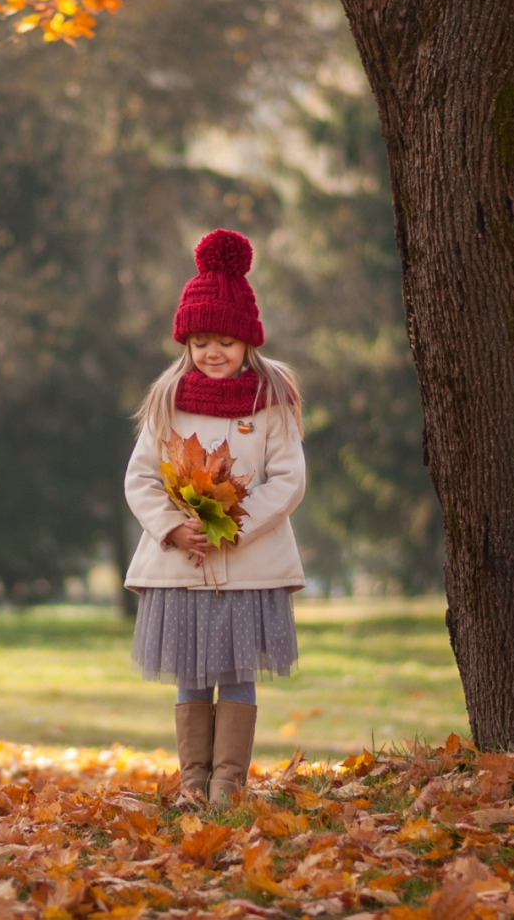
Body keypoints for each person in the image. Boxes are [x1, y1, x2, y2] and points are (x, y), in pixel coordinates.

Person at [124, 227, 306, 807]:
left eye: (225, 340)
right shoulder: (168, 401)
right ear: (186, 343)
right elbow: (141, 478)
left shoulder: (268, 401)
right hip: (183, 562)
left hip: (248, 564)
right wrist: (173, 526)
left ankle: (229, 781)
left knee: (236, 672)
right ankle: (194, 782)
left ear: (247, 340)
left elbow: (288, 480)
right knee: (192, 673)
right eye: (201, 340)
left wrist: (237, 527)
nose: (213, 352)